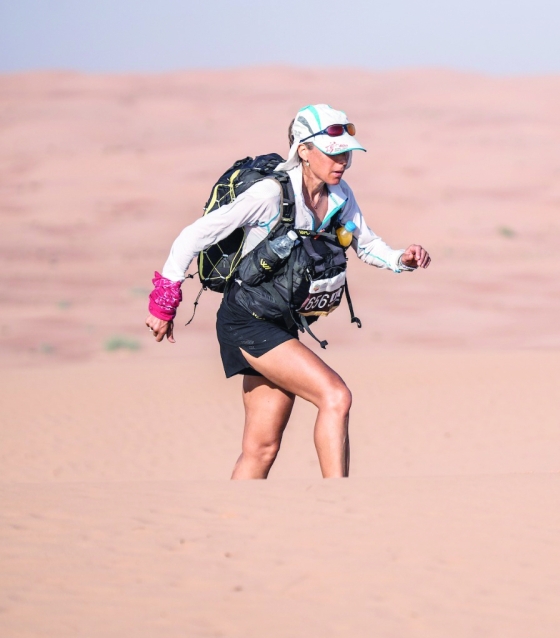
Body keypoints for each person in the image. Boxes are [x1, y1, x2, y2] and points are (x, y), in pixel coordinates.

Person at [144, 104, 431, 479]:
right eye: (332, 152)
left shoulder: (340, 195)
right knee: (335, 396)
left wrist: (401, 260)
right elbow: (192, 236)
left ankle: (233, 522)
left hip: (280, 321)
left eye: (346, 153)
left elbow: (366, 244)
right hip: (246, 320)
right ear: (304, 151)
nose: (341, 160)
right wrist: (164, 303)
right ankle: (340, 505)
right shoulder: (268, 193)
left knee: (261, 448)